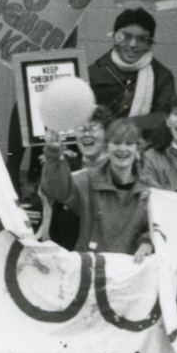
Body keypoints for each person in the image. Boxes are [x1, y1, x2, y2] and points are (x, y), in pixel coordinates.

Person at [39, 118, 153, 257]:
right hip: (91, 265)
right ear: (107, 147)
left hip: (129, 270)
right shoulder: (87, 180)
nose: (122, 149)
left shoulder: (151, 189)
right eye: (116, 143)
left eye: (129, 144)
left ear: (138, 149)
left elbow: (162, 225)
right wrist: (53, 154)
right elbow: (57, 191)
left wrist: (147, 241)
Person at [36, 106, 115, 248]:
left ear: (107, 133)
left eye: (93, 128)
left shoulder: (118, 167)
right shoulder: (66, 164)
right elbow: (54, 193)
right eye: (80, 128)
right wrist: (53, 155)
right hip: (68, 253)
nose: (86, 134)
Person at [90, 8, 177, 134]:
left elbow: (165, 116)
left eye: (141, 39)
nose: (132, 44)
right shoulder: (94, 72)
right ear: (116, 38)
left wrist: (125, 125)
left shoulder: (162, 76)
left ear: (149, 44)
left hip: (144, 145)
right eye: (126, 37)